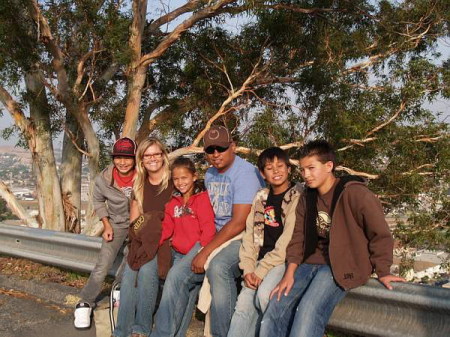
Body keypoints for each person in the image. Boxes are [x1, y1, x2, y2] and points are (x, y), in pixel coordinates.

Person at [259, 140, 406, 337]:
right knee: (276, 306)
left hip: (341, 265)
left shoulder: (355, 193)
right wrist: (290, 273)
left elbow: (380, 234)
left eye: (311, 168)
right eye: (302, 170)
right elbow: (298, 238)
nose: (306, 175)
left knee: (308, 312)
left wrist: (383, 271)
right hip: (310, 261)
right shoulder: (307, 197)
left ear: (329, 166)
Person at [192, 125, 265, 337]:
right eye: (210, 150)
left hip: (243, 234)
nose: (216, 154)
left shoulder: (246, 173)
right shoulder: (210, 175)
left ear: (233, 147)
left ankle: (220, 334)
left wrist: (205, 252)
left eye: (221, 148)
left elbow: (239, 222)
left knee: (218, 267)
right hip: (216, 233)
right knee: (180, 271)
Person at [227, 147, 302, 337]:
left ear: (289, 169)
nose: (276, 171)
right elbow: (250, 236)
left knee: (264, 295)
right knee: (243, 306)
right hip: (259, 261)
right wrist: (249, 269)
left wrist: (260, 271)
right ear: (262, 173)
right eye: (269, 168)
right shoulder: (261, 197)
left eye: (280, 166)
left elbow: (288, 240)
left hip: (281, 261)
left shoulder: (297, 197)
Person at [113, 137, 173, 337]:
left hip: (167, 241)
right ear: (141, 160)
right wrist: (138, 242)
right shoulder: (139, 185)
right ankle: (121, 331)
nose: (153, 159)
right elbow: (134, 222)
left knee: (147, 270)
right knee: (130, 273)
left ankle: (141, 329)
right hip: (143, 240)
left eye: (156, 154)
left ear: (163, 156)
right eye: (147, 156)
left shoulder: (174, 181)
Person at [74, 137, 137, 329]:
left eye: (127, 157)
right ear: (113, 158)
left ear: (135, 158)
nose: (123, 161)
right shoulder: (104, 179)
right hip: (116, 224)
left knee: (130, 261)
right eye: (118, 157)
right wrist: (106, 225)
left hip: (138, 225)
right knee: (103, 264)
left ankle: (118, 292)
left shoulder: (143, 175)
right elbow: (98, 201)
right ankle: (85, 302)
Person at [151, 157, 216, 337]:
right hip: (179, 253)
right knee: (184, 297)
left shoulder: (202, 199)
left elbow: (209, 230)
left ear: (194, 177)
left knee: (174, 279)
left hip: (199, 250)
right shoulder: (173, 202)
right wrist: (152, 243)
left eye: (184, 178)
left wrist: (201, 254)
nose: (180, 183)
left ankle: (161, 334)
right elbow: (167, 228)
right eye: (176, 179)